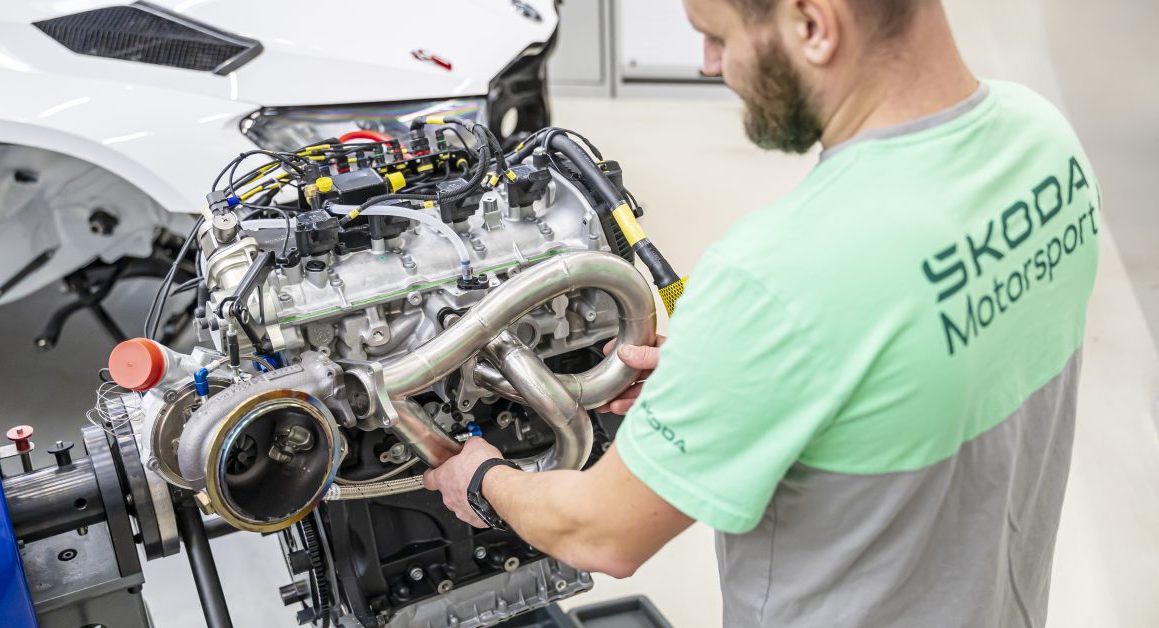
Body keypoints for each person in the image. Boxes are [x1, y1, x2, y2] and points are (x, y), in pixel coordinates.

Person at [423, 0, 1101, 625]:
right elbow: (916, 358)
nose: (709, 64)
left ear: (813, 24)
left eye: (718, 37)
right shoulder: (1045, 141)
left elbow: (601, 532)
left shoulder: (780, 272)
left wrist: (482, 478)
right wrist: (738, 373)